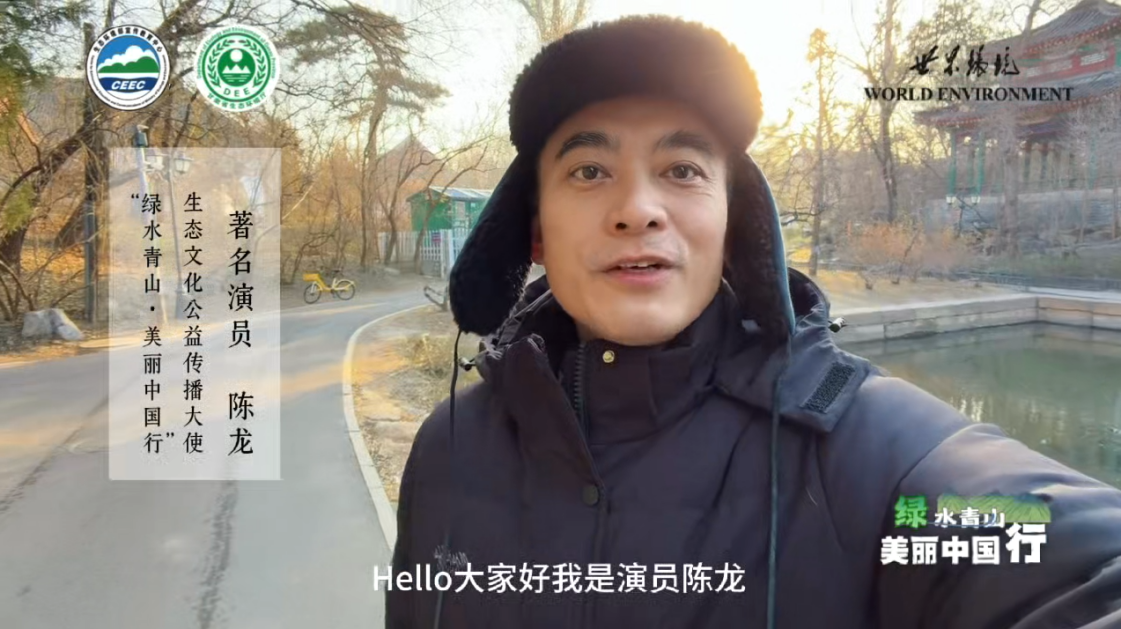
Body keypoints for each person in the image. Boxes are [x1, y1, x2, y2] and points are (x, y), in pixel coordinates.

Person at [386, 15, 1121, 629]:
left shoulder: (872, 453)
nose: (637, 209)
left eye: (682, 170)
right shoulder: (449, 447)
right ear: (535, 232)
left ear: (732, 224)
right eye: (588, 171)